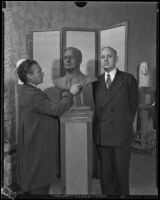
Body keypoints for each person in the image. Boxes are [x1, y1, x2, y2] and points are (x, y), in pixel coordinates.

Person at [16, 59, 81, 194]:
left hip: (37, 148)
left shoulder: (30, 91)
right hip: (38, 150)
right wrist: (71, 93)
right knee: (39, 186)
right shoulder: (31, 94)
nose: (43, 73)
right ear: (29, 76)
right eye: (39, 71)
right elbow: (56, 109)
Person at [92, 47, 139, 196]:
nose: (105, 59)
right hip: (102, 136)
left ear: (116, 58)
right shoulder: (96, 81)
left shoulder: (128, 79)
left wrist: (122, 126)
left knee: (121, 175)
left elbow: (133, 107)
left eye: (109, 56)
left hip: (121, 136)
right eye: (103, 57)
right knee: (105, 176)